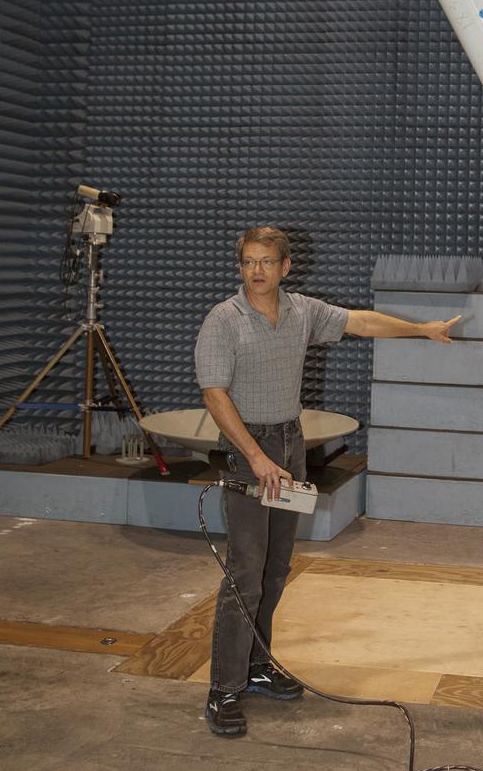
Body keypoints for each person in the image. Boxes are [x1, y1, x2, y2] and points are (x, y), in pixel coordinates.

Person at [194, 224, 459, 737]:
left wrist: (420, 329)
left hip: (289, 444)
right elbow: (214, 396)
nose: (257, 271)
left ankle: (258, 664)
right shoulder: (223, 321)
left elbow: (360, 322)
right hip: (248, 450)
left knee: (274, 569)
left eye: (267, 262)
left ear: (285, 266)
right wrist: (255, 457)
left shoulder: (300, 311)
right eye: (248, 261)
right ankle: (223, 688)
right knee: (244, 573)